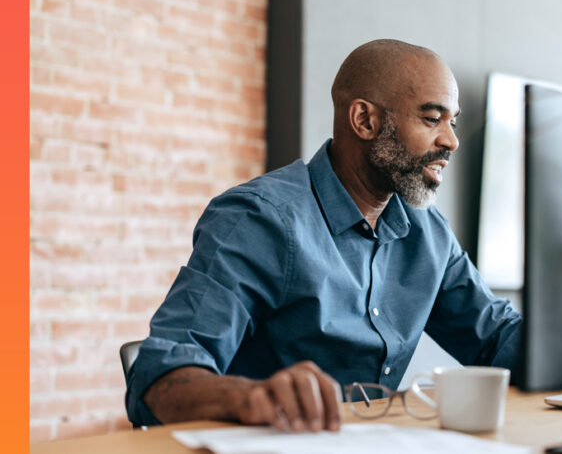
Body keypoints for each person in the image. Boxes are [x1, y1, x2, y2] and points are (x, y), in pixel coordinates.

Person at [125, 39, 524, 431]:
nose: (451, 140)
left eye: (452, 121)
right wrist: (251, 397)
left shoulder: (427, 233)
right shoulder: (261, 219)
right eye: (431, 118)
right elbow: (159, 375)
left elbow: (497, 338)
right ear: (365, 121)